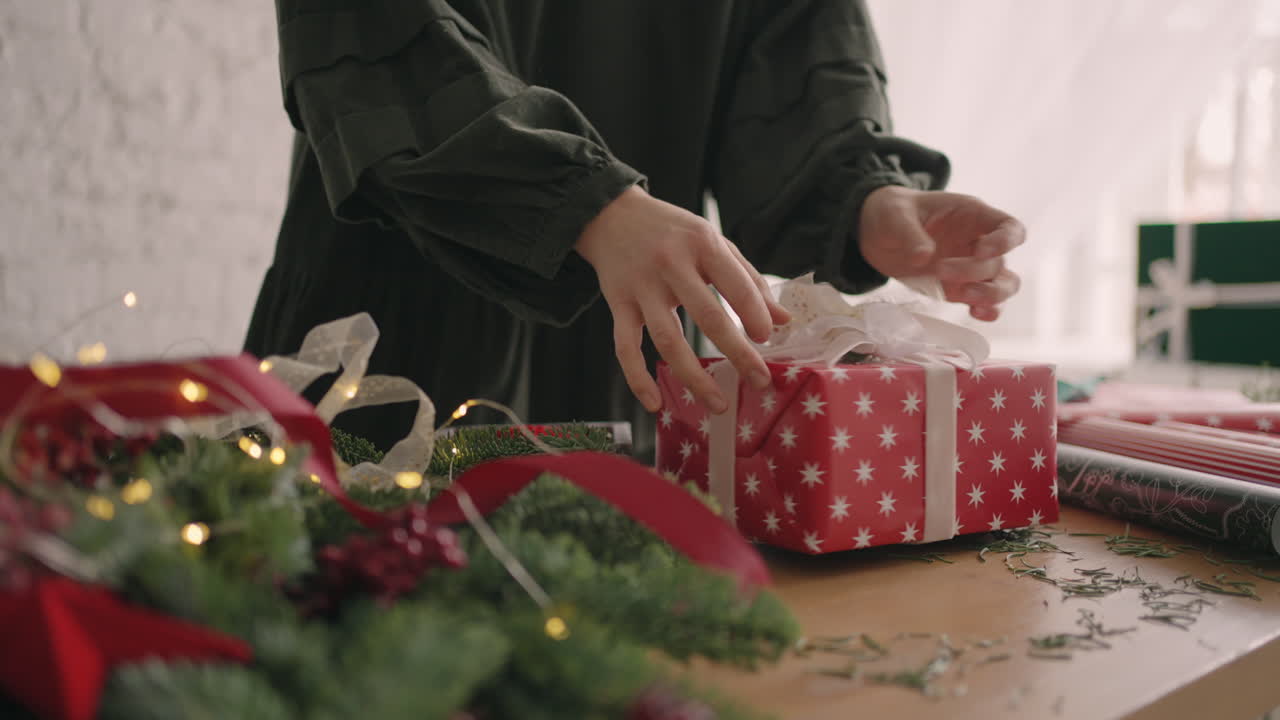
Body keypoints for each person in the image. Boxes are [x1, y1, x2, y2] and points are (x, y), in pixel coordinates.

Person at [245, 0, 1024, 458]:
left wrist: (867, 203)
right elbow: (370, 36)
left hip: (623, 385)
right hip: (396, 361)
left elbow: (795, 52)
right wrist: (580, 199)